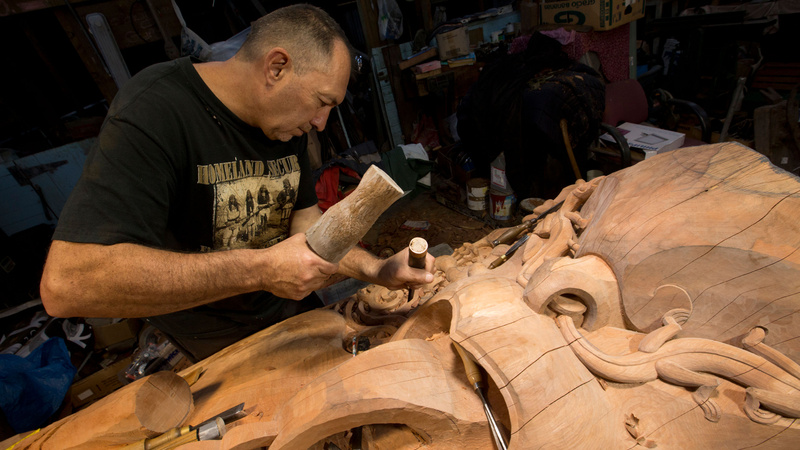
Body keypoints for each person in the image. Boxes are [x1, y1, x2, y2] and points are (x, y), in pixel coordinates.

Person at [39, 4, 434, 362]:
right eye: (321, 101)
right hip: (214, 341)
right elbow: (66, 285)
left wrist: (377, 269)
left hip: (291, 316)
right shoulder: (154, 110)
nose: (320, 123)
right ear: (276, 67)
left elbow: (309, 232)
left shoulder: (284, 125)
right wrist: (260, 270)